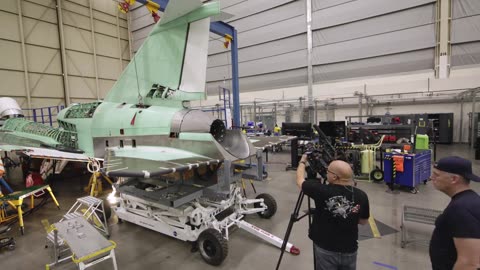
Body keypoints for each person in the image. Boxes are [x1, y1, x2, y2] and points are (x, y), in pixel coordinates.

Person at [296, 155, 370, 270]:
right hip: (349, 250)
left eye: (328, 171)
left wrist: (302, 161)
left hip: (325, 249)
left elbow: (300, 180)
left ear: (335, 177)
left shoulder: (321, 191)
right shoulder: (361, 195)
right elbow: (363, 221)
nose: (327, 173)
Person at [429, 156, 480, 270]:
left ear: (454, 179)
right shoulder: (467, 201)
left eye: (437, 175)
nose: (432, 178)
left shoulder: (462, 209)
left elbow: (470, 263)